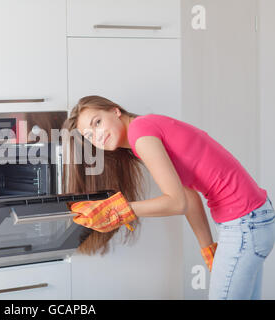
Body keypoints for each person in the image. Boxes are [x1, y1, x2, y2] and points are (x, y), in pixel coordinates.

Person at [62, 95, 275, 300]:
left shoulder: (141, 133)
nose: (97, 135)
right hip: (252, 219)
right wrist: (207, 248)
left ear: (115, 110)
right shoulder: (144, 130)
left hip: (244, 224)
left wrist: (117, 210)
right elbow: (189, 196)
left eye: (97, 122)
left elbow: (176, 202)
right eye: (89, 135)